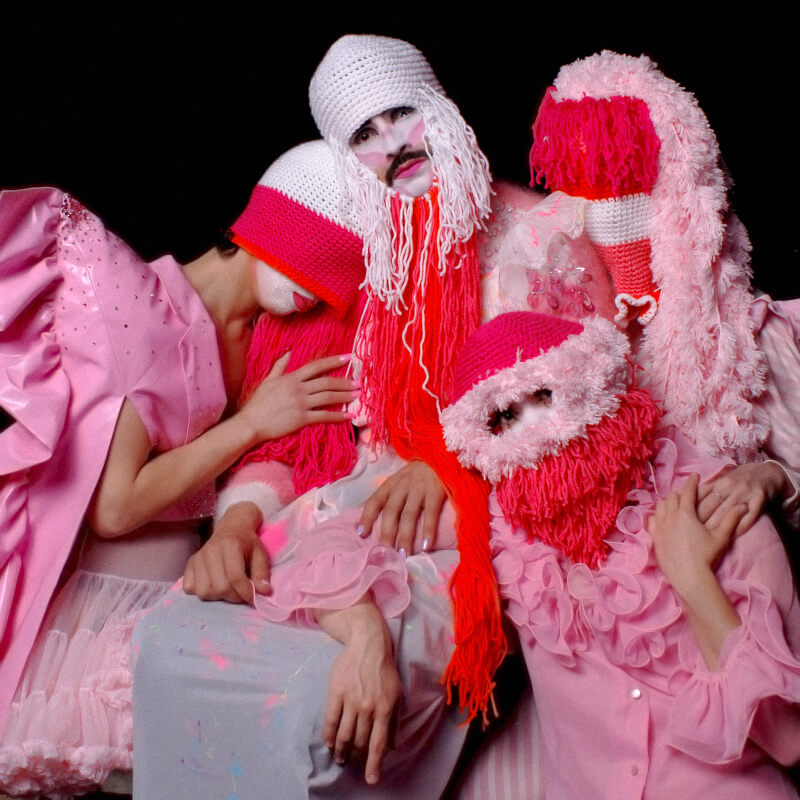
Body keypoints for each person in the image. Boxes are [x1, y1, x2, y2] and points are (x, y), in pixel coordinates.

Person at [131, 34, 507, 799]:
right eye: (361, 137)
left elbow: (567, 396)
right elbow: (302, 429)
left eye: (400, 115)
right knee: (178, 638)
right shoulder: (350, 275)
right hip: (340, 507)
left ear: (438, 106)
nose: (392, 146)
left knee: (316, 705)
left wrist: (449, 461)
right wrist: (236, 526)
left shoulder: (532, 239)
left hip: (456, 511)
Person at [0, 139, 362, 798]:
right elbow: (115, 507)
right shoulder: (145, 313)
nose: (314, 293)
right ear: (269, 231)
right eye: (310, 264)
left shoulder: (259, 338)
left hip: (177, 594)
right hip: (103, 601)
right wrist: (251, 425)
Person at [441, 310, 800, 799]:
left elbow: (787, 735)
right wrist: (363, 630)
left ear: (588, 378)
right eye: (505, 416)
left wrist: (692, 579)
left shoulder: (719, 500)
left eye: (544, 396)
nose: (534, 430)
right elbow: (332, 534)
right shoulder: (502, 532)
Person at [528, 51, 800, 531]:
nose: (609, 211)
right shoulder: (538, 344)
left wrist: (772, 476)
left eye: (628, 184)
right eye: (584, 186)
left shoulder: (751, 338)